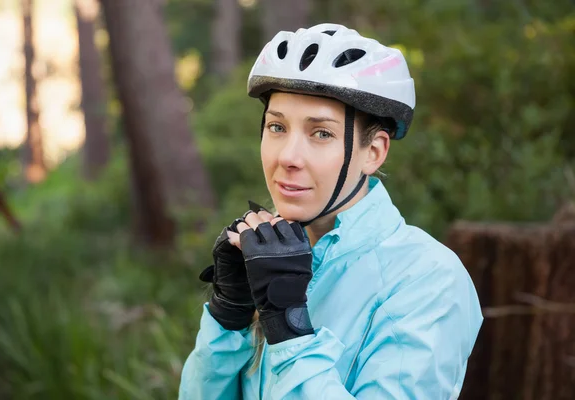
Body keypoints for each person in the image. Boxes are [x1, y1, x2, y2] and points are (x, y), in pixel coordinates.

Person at [178, 23, 483, 399]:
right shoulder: (266, 255)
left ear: (373, 152)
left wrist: (289, 327)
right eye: (277, 127)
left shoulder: (429, 279)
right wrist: (229, 319)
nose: (287, 157)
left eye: (321, 133)